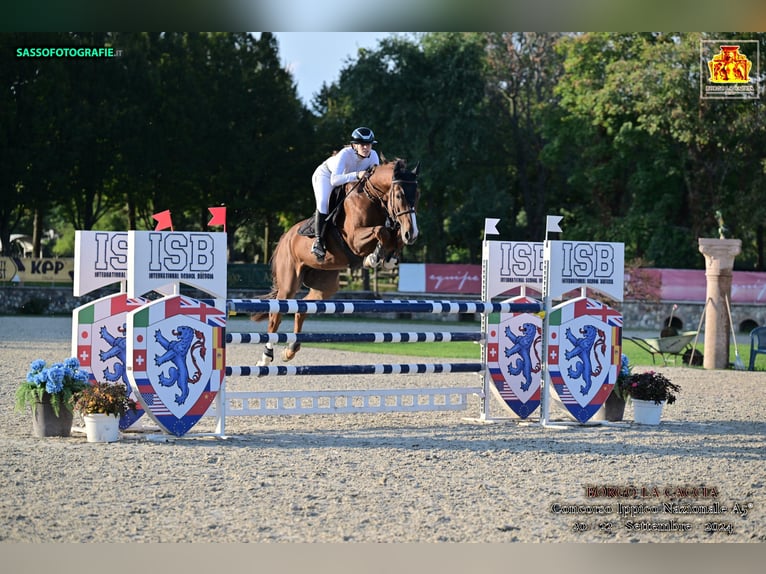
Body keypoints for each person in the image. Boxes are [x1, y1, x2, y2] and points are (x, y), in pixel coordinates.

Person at [310, 126, 380, 261]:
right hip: (326, 175)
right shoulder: (345, 154)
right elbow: (335, 180)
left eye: (369, 144)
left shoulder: (374, 156)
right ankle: (319, 241)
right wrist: (357, 175)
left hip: (348, 181)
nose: (366, 148)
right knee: (324, 203)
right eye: (362, 145)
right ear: (354, 145)